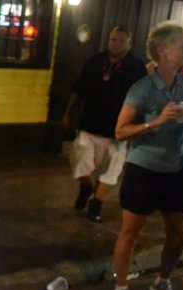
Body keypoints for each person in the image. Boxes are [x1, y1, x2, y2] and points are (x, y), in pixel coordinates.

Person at [110, 22, 183, 290]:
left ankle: (162, 281)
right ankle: (120, 289)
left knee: (179, 234)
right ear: (163, 51)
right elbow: (121, 131)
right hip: (144, 169)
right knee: (130, 232)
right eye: (182, 46)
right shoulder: (142, 89)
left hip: (177, 168)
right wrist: (155, 122)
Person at [61, 27, 147, 222]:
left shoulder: (136, 67)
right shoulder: (95, 62)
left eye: (121, 40)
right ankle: (86, 186)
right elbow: (78, 89)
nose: (116, 44)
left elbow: (144, 98)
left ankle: (96, 202)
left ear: (129, 43)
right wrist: (68, 113)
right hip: (89, 123)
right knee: (80, 158)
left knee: (112, 166)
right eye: (113, 39)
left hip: (117, 128)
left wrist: (139, 126)